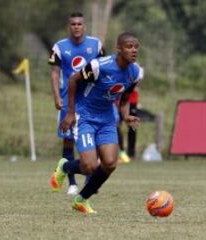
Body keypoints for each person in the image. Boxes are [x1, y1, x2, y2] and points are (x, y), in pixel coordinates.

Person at [50, 32, 143, 214]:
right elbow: (73, 80)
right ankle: (64, 166)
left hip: (107, 118)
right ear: (119, 49)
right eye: (129, 47)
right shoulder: (99, 66)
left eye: (136, 47)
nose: (134, 51)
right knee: (89, 166)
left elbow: (124, 98)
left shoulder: (135, 72)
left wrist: (125, 116)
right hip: (84, 115)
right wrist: (69, 113)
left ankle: (81, 199)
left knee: (110, 163)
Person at [48, 12, 104, 195]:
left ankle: (89, 181)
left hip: (91, 101)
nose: (76, 27)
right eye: (73, 24)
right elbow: (55, 73)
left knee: (93, 141)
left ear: (84, 26)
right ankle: (72, 183)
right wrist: (57, 96)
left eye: (79, 24)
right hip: (68, 102)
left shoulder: (95, 45)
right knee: (69, 141)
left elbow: (103, 69)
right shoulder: (60, 47)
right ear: (69, 27)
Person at [117, 87, 139, 163]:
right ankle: (121, 152)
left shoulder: (134, 76)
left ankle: (130, 154)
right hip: (116, 101)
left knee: (132, 127)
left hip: (131, 101)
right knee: (116, 126)